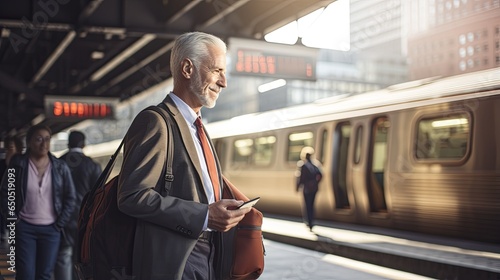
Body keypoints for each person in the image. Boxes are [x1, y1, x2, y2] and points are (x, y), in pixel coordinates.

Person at [116, 31, 252, 280]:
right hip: (176, 261)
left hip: (209, 254)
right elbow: (132, 196)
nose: (224, 82)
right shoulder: (155, 122)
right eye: (216, 71)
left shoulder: (198, 126)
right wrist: (204, 215)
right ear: (188, 68)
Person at [0, 124, 76, 280]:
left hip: (51, 229)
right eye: (39, 139)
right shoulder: (18, 164)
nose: (44, 144)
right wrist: (13, 220)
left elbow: (70, 197)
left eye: (47, 139)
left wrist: (60, 223)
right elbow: (6, 193)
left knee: (45, 275)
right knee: (25, 274)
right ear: (29, 142)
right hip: (24, 228)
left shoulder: (60, 167)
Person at [55, 131, 102, 280]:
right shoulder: (92, 165)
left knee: (64, 255)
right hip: (84, 218)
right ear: (83, 144)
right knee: (81, 256)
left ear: (68, 144)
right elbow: (98, 194)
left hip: (62, 216)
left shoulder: (58, 163)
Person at [0, 136, 23, 241]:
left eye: (10, 149)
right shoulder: (3, 167)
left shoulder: (23, 168)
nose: (7, 153)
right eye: (6, 150)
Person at [295, 146, 322, 231]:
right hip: (314, 188)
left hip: (307, 189)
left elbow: (301, 178)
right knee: (311, 205)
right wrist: (315, 182)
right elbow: (321, 175)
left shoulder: (303, 165)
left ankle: (308, 221)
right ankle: (311, 221)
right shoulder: (315, 165)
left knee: (307, 205)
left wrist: (298, 186)